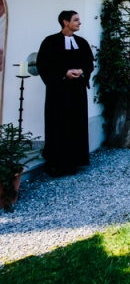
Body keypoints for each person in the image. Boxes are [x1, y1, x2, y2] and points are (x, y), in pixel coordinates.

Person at [36, 11, 94, 176]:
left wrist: (81, 71)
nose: (79, 23)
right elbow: (43, 65)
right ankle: (55, 163)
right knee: (57, 124)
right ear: (65, 22)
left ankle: (74, 162)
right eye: (76, 20)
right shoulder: (50, 42)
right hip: (58, 92)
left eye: (79, 20)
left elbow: (89, 64)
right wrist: (64, 73)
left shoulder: (81, 43)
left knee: (76, 124)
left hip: (77, 92)